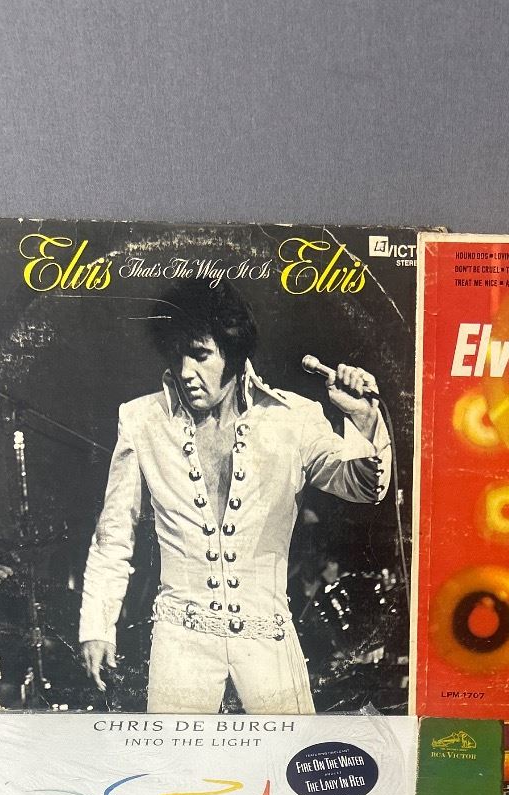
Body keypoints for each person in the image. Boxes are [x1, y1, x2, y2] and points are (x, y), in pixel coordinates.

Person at [78, 276, 392, 713]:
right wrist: (97, 626)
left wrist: (362, 418)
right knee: (179, 757)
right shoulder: (141, 421)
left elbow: (364, 486)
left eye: (200, 354)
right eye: (176, 354)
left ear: (234, 349)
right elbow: (112, 536)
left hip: (268, 641)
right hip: (180, 645)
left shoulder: (292, 418)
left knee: (288, 754)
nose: (185, 371)